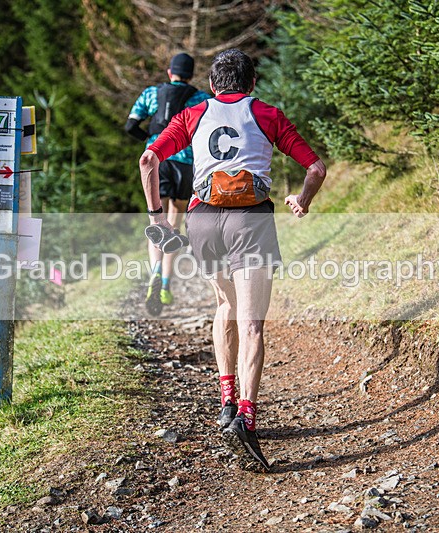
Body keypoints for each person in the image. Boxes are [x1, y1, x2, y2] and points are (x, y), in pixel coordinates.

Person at [138, 49, 327, 471]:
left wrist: (156, 217)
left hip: (203, 220)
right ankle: (246, 417)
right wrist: (303, 199)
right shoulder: (268, 114)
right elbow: (315, 169)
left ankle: (226, 401)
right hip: (251, 220)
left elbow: (148, 159)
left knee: (225, 304)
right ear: (252, 83)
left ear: (212, 84)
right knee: (252, 322)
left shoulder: (193, 114)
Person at [125, 52, 212, 316]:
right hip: (185, 163)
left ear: (169, 72)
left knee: (156, 222)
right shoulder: (200, 98)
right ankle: (165, 283)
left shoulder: (152, 94)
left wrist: (150, 139)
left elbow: (130, 126)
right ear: (191, 74)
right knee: (174, 224)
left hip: (157, 159)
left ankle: (154, 270)